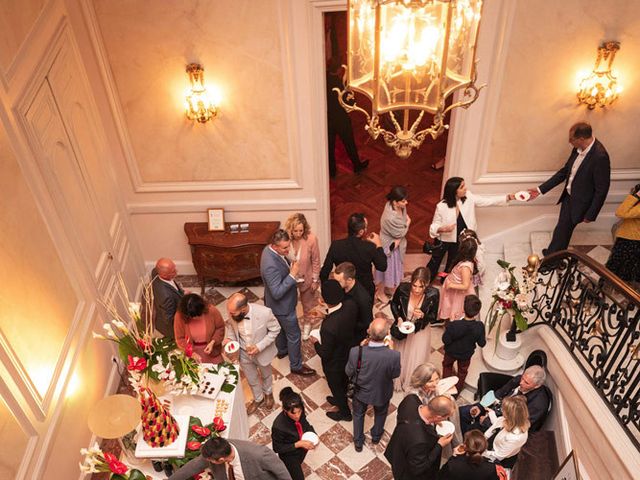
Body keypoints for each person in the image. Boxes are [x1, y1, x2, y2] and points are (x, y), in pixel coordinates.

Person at [526, 122, 611, 255]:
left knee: (562, 230)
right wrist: (539, 190)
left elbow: (602, 190)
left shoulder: (600, 157)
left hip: (580, 203)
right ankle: (555, 255)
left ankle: (551, 259)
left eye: (572, 139)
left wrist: (591, 214)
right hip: (568, 197)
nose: (569, 142)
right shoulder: (576, 149)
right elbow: (564, 171)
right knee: (562, 230)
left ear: (581, 139)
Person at [427, 177, 513, 279]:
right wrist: (443, 229)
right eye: (462, 187)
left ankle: (445, 281)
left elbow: (486, 201)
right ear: (454, 191)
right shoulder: (441, 206)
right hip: (444, 239)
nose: (466, 188)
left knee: (452, 263)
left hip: (461, 239)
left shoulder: (469, 197)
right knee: (435, 262)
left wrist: (507, 197)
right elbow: (434, 225)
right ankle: (427, 280)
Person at [261, 229, 316, 376]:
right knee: (294, 335)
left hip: (275, 305)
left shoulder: (268, 250)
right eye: (285, 248)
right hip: (282, 306)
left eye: (288, 246)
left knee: (280, 330)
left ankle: (283, 351)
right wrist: (292, 275)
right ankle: (296, 366)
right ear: (274, 246)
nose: (288, 250)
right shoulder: (270, 265)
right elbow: (277, 292)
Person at [346, 317, 401, 451]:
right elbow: (395, 374)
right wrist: (392, 349)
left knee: (358, 415)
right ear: (387, 334)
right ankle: (376, 436)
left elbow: (348, 371)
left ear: (368, 332)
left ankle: (358, 442)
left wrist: (360, 348)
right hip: (382, 392)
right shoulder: (393, 355)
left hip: (360, 392)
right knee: (381, 414)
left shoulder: (355, 351)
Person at [224, 293, 281, 414]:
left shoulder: (265, 313)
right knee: (251, 378)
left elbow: (275, 329)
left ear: (243, 309)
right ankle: (258, 398)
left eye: (233, 313)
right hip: (244, 353)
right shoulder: (232, 314)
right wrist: (230, 340)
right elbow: (231, 329)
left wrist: (259, 347)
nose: (230, 315)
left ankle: (268, 393)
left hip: (262, 352)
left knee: (266, 375)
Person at [310, 280, 357, 421]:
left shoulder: (328, 327)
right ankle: (340, 397)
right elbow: (340, 320)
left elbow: (325, 353)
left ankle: (345, 413)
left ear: (323, 300)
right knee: (343, 380)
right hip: (348, 353)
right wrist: (325, 315)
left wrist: (316, 342)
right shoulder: (351, 305)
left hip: (334, 363)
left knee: (335, 385)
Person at [460, 365, 549, 434]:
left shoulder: (538, 405)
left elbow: (518, 426)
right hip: (495, 409)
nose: (521, 383)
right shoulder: (519, 380)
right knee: (462, 412)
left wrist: (487, 422)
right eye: (522, 378)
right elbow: (499, 393)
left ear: (537, 386)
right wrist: (481, 406)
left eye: (526, 382)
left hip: (503, 424)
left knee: (470, 431)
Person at [390, 267, 439, 391]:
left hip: (420, 331)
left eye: (420, 287)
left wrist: (423, 316)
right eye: (414, 285)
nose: (416, 290)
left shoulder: (433, 294)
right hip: (404, 327)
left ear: (426, 285)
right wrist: (399, 318)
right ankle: (399, 377)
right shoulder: (402, 289)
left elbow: (433, 316)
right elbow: (394, 304)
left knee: (415, 357)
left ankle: (411, 380)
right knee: (401, 354)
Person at [384, 395, 456, 480]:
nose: (445, 420)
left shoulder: (411, 399)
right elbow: (418, 468)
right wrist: (439, 445)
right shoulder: (420, 441)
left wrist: (434, 421)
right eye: (446, 418)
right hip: (405, 466)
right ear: (438, 417)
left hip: (399, 442)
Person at [320, 212, 387, 301]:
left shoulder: (336, 246)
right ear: (361, 232)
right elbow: (382, 266)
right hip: (365, 291)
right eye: (366, 227)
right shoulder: (369, 247)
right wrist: (378, 245)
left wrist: (327, 291)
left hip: (343, 291)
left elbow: (324, 272)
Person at [405, 363, 463, 457]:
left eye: (437, 379)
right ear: (421, 381)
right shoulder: (413, 395)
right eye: (430, 381)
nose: (435, 384)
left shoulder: (433, 387)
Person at [167, 437, 292, 480]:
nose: (206, 462)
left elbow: (282, 474)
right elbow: (194, 465)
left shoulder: (260, 454)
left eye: (210, 461)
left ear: (220, 460)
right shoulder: (216, 450)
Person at [326, 57, 369, 178]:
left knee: (330, 145)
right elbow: (350, 103)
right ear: (339, 69)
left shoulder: (324, 79)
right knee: (349, 143)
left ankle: (332, 171)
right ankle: (357, 165)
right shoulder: (340, 84)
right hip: (341, 119)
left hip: (328, 118)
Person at [284, 213, 321, 341]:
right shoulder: (286, 240)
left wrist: (315, 280)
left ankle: (307, 324)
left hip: (307, 278)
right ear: (290, 229)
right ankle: (291, 327)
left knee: (308, 305)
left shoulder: (311, 239)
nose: (299, 233)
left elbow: (316, 261)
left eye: (301, 230)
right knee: (290, 304)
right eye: (295, 231)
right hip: (290, 279)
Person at [442, 294, 486, 394]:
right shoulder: (479, 326)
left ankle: (445, 389)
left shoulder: (454, 325)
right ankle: (456, 392)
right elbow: (482, 344)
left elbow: (445, 340)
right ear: (477, 312)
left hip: (450, 352)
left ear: (463, 308)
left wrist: (450, 323)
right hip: (466, 354)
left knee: (447, 366)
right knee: (462, 372)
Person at [375, 186, 411, 303]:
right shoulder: (389, 218)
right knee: (385, 269)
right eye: (403, 201)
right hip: (388, 245)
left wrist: (399, 239)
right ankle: (380, 292)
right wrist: (408, 224)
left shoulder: (397, 206)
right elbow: (401, 232)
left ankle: (389, 287)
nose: (406, 202)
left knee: (393, 268)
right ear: (395, 202)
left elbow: (400, 233)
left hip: (395, 244)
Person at [271, 387, 316, 480]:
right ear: (285, 410)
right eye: (293, 413)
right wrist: (298, 444)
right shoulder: (278, 426)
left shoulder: (300, 410)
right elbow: (277, 448)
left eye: (299, 412)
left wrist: (313, 434)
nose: (297, 416)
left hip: (301, 449)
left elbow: (304, 423)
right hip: (289, 456)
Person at [174, 293, 225, 364]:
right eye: (191, 316)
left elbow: (220, 328)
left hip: (213, 351)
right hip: (192, 353)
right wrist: (191, 353)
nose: (195, 318)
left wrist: (213, 342)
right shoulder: (179, 316)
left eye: (198, 315)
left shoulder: (212, 311)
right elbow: (180, 339)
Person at [605, 183, 640, 287]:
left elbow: (620, 212)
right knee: (627, 267)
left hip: (630, 240)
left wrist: (636, 196)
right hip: (631, 238)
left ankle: (618, 287)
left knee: (619, 267)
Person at [334, 261, 373, 346]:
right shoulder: (342, 287)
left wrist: (348, 323)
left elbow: (367, 322)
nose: (335, 284)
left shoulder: (363, 298)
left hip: (355, 336)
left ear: (349, 280)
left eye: (339, 281)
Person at [437, 239, 478, 323]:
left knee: (454, 308)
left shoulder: (465, 267)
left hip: (457, 293)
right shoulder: (464, 261)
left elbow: (465, 285)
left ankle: (452, 325)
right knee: (448, 306)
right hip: (454, 289)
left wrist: (451, 285)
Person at [483, 396, 530, 466]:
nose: (501, 410)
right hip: (493, 442)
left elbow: (498, 455)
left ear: (510, 415)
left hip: (496, 456)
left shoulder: (515, 438)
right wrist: (491, 413)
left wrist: (482, 452)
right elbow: (498, 423)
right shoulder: (511, 420)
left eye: (504, 409)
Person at [438, 430, 502, 480]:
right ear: (484, 447)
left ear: (465, 446)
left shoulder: (452, 465)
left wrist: (454, 456)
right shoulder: (491, 468)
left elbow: (440, 477)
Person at [151, 257, 184, 338]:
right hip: (171, 328)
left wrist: (181, 292)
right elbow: (169, 319)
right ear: (164, 275)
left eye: (174, 268)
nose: (176, 271)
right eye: (173, 271)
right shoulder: (166, 297)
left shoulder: (155, 272)